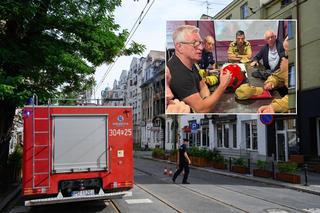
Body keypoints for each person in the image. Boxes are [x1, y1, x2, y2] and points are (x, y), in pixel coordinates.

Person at [167, 25, 231, 113]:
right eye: (194, 43)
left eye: (200, 43)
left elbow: (203, 86)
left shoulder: (190, 62)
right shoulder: (177, 73)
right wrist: (223, 85)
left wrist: (206, 100)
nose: (201, 47)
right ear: (179, 47)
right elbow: (202, 109)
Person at [257, 36, 289, 113]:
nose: (285, 56)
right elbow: (276, 75)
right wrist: (271, 82)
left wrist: (274, 107)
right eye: (285, 51)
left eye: (289, 52)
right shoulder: (265, 48)